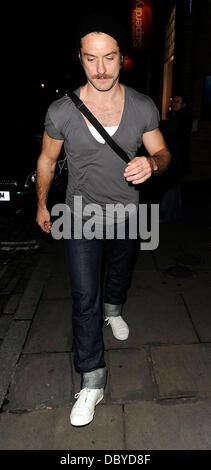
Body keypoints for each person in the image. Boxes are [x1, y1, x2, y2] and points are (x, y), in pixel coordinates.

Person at [36, 14, 171, 427]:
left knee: (119, 272)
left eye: (109, 58)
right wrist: (42, 204)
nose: (100, 69)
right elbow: (47, 159)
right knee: (82, 298)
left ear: (120, 58)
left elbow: (165, 154)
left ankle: (115, 306)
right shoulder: (62, 110)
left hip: (127, 216)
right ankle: (92, 377)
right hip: (79, 216)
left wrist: (152, 163)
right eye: (91, 59)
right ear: (80, 59)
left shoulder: (143, 106)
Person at [159, 93, 192, 222]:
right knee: (174, 186)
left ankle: (165, 214)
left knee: (169, 185)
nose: (174, 103)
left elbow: (172, 136)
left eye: (178, 101)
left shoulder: (179, 117)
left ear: (183, 105)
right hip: (178, 157)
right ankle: (175, 213)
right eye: (174, 101)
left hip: (176, 157)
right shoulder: (180, 117)